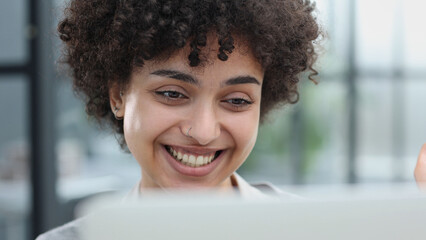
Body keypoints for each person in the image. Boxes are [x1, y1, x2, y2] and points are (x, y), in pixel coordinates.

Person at [37, 0, 426, 239]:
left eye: (237, 100)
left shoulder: (311, 233)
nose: (204, 131)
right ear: (118, 94)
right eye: (172, 94)